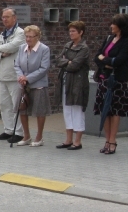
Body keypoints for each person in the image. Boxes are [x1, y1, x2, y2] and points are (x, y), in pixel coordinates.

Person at [0, 8, 26, 143]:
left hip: (14, 74)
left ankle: (19, 132)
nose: (4, 19)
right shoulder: (3, 33)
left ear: (14, 18)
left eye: (7, 17)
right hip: (2, 74)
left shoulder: (20, 33)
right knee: (4, 104)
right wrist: (0, 53)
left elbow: (13, 46)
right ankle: (8, 129)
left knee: (16, 104)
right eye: (3, 17)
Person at [93, 13, 128, 154]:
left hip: (118, 81)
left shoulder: (126, 41)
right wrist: (107, 63)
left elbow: (119, 61)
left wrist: (106, 60)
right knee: (105, 111)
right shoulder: (109, 38)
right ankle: (107, 141)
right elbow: (97, 57)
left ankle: (113, 141)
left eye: (114, 24)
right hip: (104, 79)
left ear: (121, 26)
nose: (111, 26)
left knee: (115, 111)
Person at [54, 21, 90, 150]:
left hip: (77, 83)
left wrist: (67, 62)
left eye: (74, 31)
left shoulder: (84, 48)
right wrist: (67, 61)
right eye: (70, 31)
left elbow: (75, 65)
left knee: (77, 110)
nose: (71, 33)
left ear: (81, 32)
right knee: (67, 110)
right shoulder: (68, 45)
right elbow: (58, 59)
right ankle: (68, 139)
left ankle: (77, 141)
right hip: (66, 81)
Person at [14, 25, 51, 147]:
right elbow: (17, 65)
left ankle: (39, 137)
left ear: (38, 37)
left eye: (31, 37)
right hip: (23, 85)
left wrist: (28, 78)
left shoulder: (44, 49)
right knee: (22, 109)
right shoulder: (21, 48)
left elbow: (44, 68)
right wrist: (21, 77)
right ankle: (26, 136)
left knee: (39, 111)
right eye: (27, 36)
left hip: (38, 85)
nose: (28, 39)